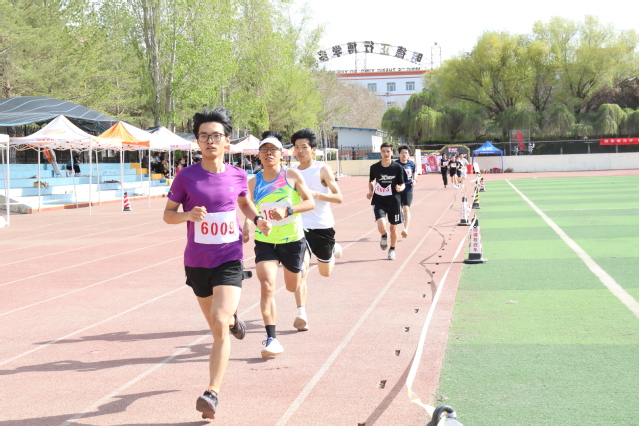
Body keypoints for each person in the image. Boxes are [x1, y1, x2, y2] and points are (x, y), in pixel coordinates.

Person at [163, 107, 271, 420]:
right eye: (204, 136)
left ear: (227, 141)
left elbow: (245, 203)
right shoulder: (186, 177)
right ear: (197, 142)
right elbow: (168, 215)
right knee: (217, 324)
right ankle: (235, 320)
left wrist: (257, 220)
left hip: (229, 258)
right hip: (197, 262)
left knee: (219, 322)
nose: (210, 141)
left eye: (216, 136)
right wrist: (187, 215)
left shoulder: (237, 175)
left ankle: (212, 392)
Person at [243, 131, 315, 358]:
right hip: (265, 241)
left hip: (292, 240)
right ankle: (272, 339)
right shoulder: (253, 182)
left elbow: (310, 202)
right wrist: (248, 224)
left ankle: (302, 261)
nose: (268, 154)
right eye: (264, 150)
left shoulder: (291, 175)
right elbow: (250, 207)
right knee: (267, 285)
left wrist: (288, 210)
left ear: (281, 154)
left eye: (273, 150)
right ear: (258, 155)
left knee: (292, 286)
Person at [291, 128, 343, 331]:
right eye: (296, 147)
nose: (299, 151)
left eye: (304, 147)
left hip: (322, 227)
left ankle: (333, 249)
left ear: (313, 150)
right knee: (301, 270)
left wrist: (316, 194)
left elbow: (338, 197)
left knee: (325, 272)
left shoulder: (322, 169)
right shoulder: (291, 170)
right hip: (299, 228)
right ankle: (301, 313)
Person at [367, 142, 405, 260]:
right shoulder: (374, 167)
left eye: (388, 151)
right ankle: (384, 235)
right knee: (382, 225)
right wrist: (371, 191)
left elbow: (403, 183)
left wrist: (400, 188)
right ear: (380, 152)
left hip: (394, 202)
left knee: (393, 228)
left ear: (392, 152)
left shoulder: (397, 167)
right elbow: (371, 181)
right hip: (379, 201)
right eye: (383, 151)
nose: (386, 153)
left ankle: (392, 249)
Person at [396, 145, 416, 238]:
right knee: (398, 209)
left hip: (408, 189)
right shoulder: (395, 164)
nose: (404, 154)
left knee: (406, 208)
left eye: (406, 153)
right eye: (402, 153)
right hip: (397, 189)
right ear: (399, 154)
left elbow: (414, 172)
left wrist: (414, 180)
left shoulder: (412, 164)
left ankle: (405, 229)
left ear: (408, 155)